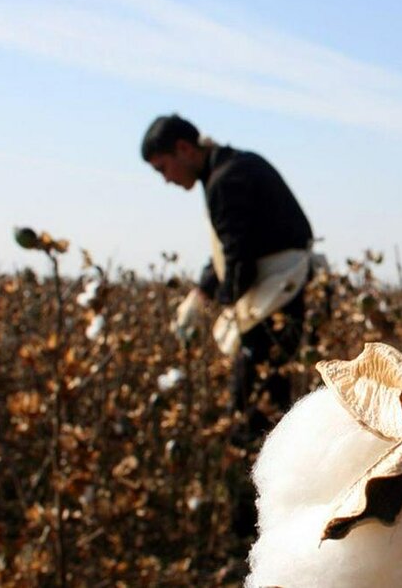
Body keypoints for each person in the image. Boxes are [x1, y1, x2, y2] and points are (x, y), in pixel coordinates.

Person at [141, 113, 314, 536]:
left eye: (164, 167)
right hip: (279, 299)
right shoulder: (232, 167)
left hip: (273, 304)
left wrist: (220, 309)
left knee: (253, 412)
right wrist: (202, 294)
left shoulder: (226, 179)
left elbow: (238, 263)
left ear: (184, 149)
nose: (165, 180)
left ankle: (252, 520)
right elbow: (229, 249)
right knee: (266, 406)